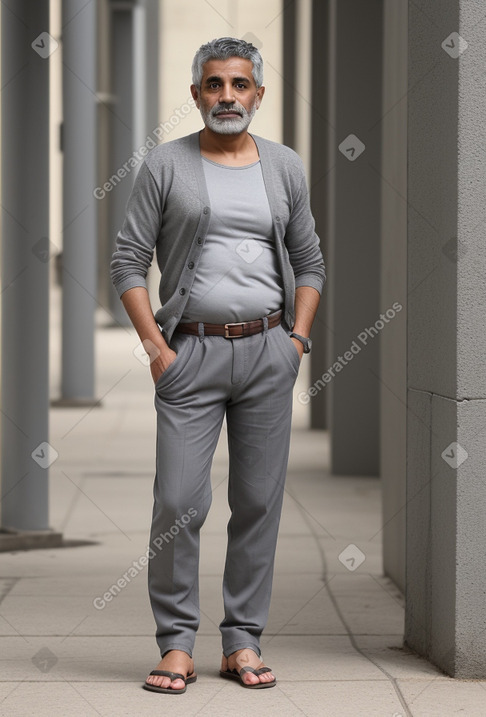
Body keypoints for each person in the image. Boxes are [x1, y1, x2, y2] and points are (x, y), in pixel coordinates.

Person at [110, 36, 325, 694]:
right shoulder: (167, 166)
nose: (226, 96)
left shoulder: (284, 167)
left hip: (267, 352)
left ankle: (241, 639)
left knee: (257, 500)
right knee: (178, 500)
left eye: (238, 85)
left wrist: (296, 340)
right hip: (190, 355)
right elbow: (126, 262)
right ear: (197, 93)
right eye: (213, 84)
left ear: (258, 95)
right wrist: (157, 351)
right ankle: (176, 642)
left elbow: (309, 261)